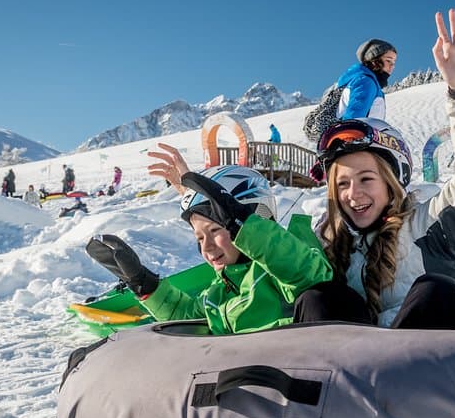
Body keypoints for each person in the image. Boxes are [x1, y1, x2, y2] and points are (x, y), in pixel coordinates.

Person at [296, 9, 455, 330]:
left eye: (366, 178)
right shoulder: (327, 241)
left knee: (435, 291)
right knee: (319, 298)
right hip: (361, 359)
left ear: (393, 182)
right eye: (342, 183)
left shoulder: (425, 227)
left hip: (444, 353)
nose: (353, 193)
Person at [85, 143, 332, 334]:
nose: (208, 247)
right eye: (200, 237)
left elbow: (309, 276)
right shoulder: (222, 288)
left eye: (215, 231)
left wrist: (243, 224)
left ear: (255, 217)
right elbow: (188, 318)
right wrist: (144, 283)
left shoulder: (285, 265)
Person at [337, 38, 397, 120]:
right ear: (374, 60)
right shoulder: (366, 82)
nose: (392, 66)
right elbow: (353, 121)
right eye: (388, 60)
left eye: (394, 62)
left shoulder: (360, 79)